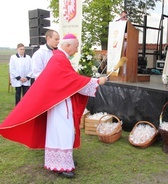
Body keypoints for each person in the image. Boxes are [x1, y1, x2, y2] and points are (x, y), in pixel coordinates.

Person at [0, 34, 108, 178]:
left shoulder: (59, 57)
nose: (76, 50)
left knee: (61, 132)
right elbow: (71, 80)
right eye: (76, 47)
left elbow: (70, 80)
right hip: (59, 104)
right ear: (68, 46)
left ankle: (62, 161)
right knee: (62, 132)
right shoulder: (59, 59)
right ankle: (60, 165)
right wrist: (96, 82)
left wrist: (91, 81)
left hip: (60, 100)